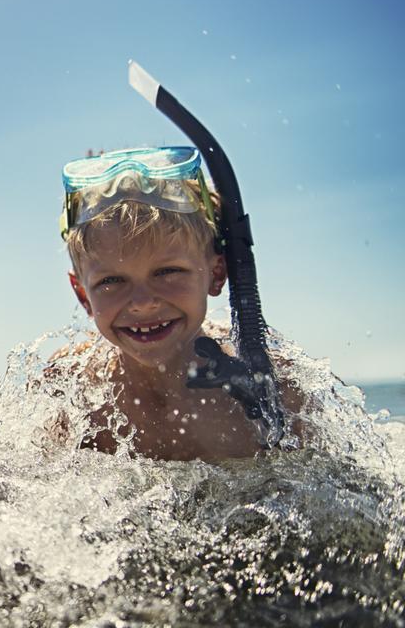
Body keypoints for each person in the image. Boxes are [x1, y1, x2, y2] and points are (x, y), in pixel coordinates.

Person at [53, 146, 302, 460]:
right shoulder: (73, 387)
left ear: (216, 273)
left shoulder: (275, 390)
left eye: (168, 272)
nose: (142, 303)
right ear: (83, 295)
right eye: (111, 281)